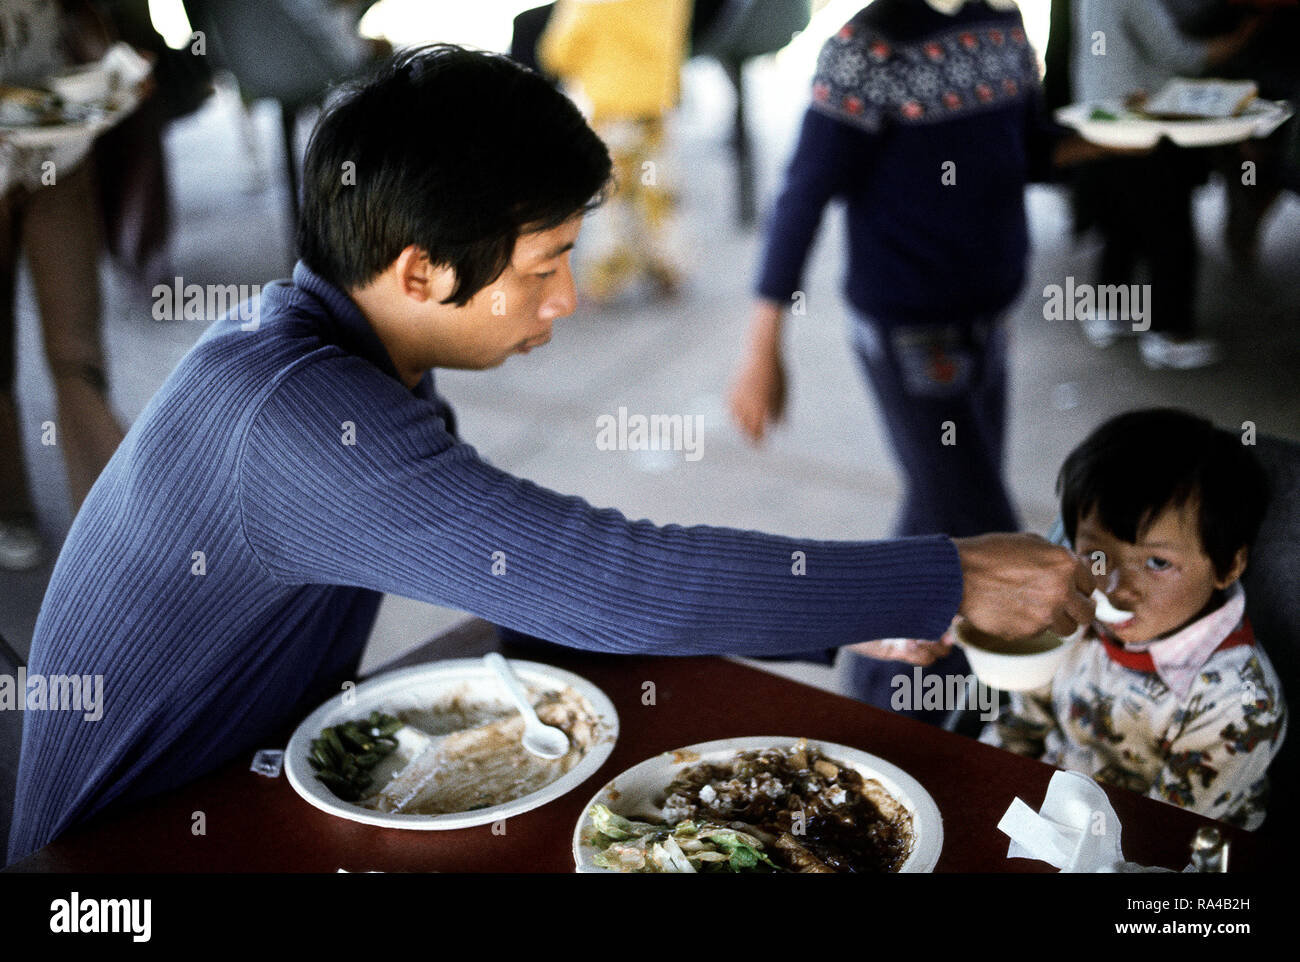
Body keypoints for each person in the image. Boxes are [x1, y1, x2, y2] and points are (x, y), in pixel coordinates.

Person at [7, 45, 1100, 864]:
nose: (567, 300)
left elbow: (542, 568)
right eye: (544, 266)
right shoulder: (298, 420)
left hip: (235, 779)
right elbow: (607, 576)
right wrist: (944, 574)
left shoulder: (330, 340)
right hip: (117, 857)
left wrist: (861, 611)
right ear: (422, 270)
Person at [728, 0, 1110, 724]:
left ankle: (896, 699)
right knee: (978, 523)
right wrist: (761, 348)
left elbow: (1028, 151)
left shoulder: (1001, 25)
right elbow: (802, 195)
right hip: (909, 329)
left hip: (988, 318)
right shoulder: (865, 50)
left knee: (940, 510)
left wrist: (1138, 135)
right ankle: (922, 710)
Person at [982, 409, 1287, 829]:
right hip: (1049, 816)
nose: (1118, 587)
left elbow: (1163, 835)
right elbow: (1017, 729)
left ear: (1227, 567)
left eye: (1158, 562)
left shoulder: (1239, 704)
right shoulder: (1072, 622)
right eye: (1097, 556)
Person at [0, 0, 128, 570]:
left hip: (58, 145)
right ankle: (10, 508)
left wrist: (116, 73)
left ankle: (117, 526)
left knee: (78, 349)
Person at [1068, 0, 1259, 368]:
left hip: (1102, 120)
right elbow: (1183, 56)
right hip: (1143, 125)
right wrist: (1245, 32)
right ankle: (1170, 334)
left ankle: (1109, 314)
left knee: (1120, 224)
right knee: (1170, 229)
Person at [537, 0, 691, 302]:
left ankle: (608, 276)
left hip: (610, 110)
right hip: (655, 107)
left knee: (611, 200)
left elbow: (558, 52)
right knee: (658, 194)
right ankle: (669, 267)